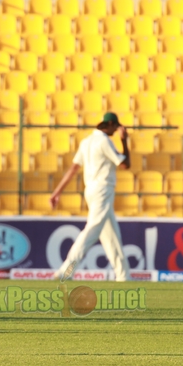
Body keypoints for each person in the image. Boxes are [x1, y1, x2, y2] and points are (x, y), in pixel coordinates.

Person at [49, 112, 131, 282]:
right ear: (109, 125)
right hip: (102, 190)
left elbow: (73, 169)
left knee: (112, 237)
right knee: (92, 230)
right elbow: (125, 164)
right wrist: (124, 140)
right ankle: (66, 270)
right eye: (115, 127)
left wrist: (57, 192)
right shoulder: (104, 141)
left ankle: (124, 276)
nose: (115, 130)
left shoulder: (86, 142)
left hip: (91, 190)